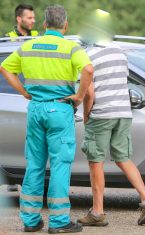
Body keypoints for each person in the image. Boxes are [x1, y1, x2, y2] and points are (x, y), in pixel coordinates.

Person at [0, 4, 93, 233]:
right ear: (65, 25)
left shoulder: (28, 46)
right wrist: (79, 97)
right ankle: (59, 222)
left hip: (35, 109)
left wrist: (23, 91)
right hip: (60, 110)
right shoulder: (71, 48)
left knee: (35, 165)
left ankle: (31, 221)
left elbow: (4, 68)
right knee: (60, 165)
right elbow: (89, 70)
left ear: (43, 24)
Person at [77, 9, 145, 227]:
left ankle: (97, 212)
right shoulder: (119, 51)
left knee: (96, 162)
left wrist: (86, 114)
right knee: (123, 158)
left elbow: (89, 92)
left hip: (102, 113)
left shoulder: (87, 55)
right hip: (123, 112)